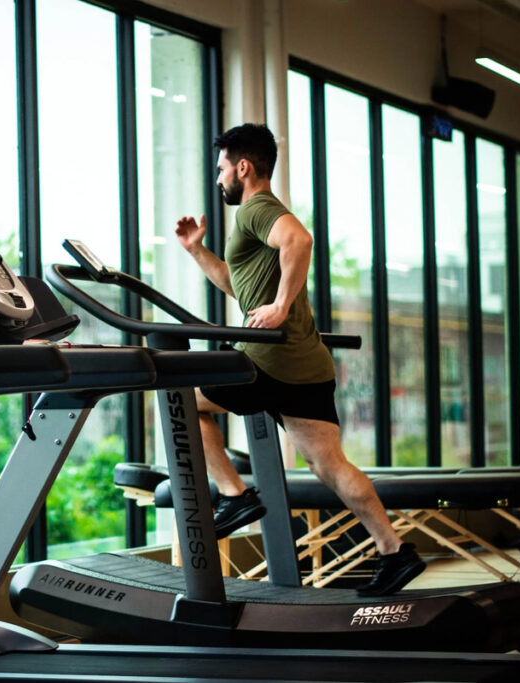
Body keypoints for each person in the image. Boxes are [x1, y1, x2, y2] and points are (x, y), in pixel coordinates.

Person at [175, 123, 424, 597]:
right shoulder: (257, 218)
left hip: (267, 360)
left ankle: (234, 496)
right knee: (330, 465)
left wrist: (281, 307)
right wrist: (197, 251)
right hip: (306, 364)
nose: (219, 179)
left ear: (242, 167)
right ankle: (394, 551)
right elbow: (239, 286)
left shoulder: (257, 209)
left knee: (181, 398)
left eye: (222, 169)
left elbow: (301, 241)